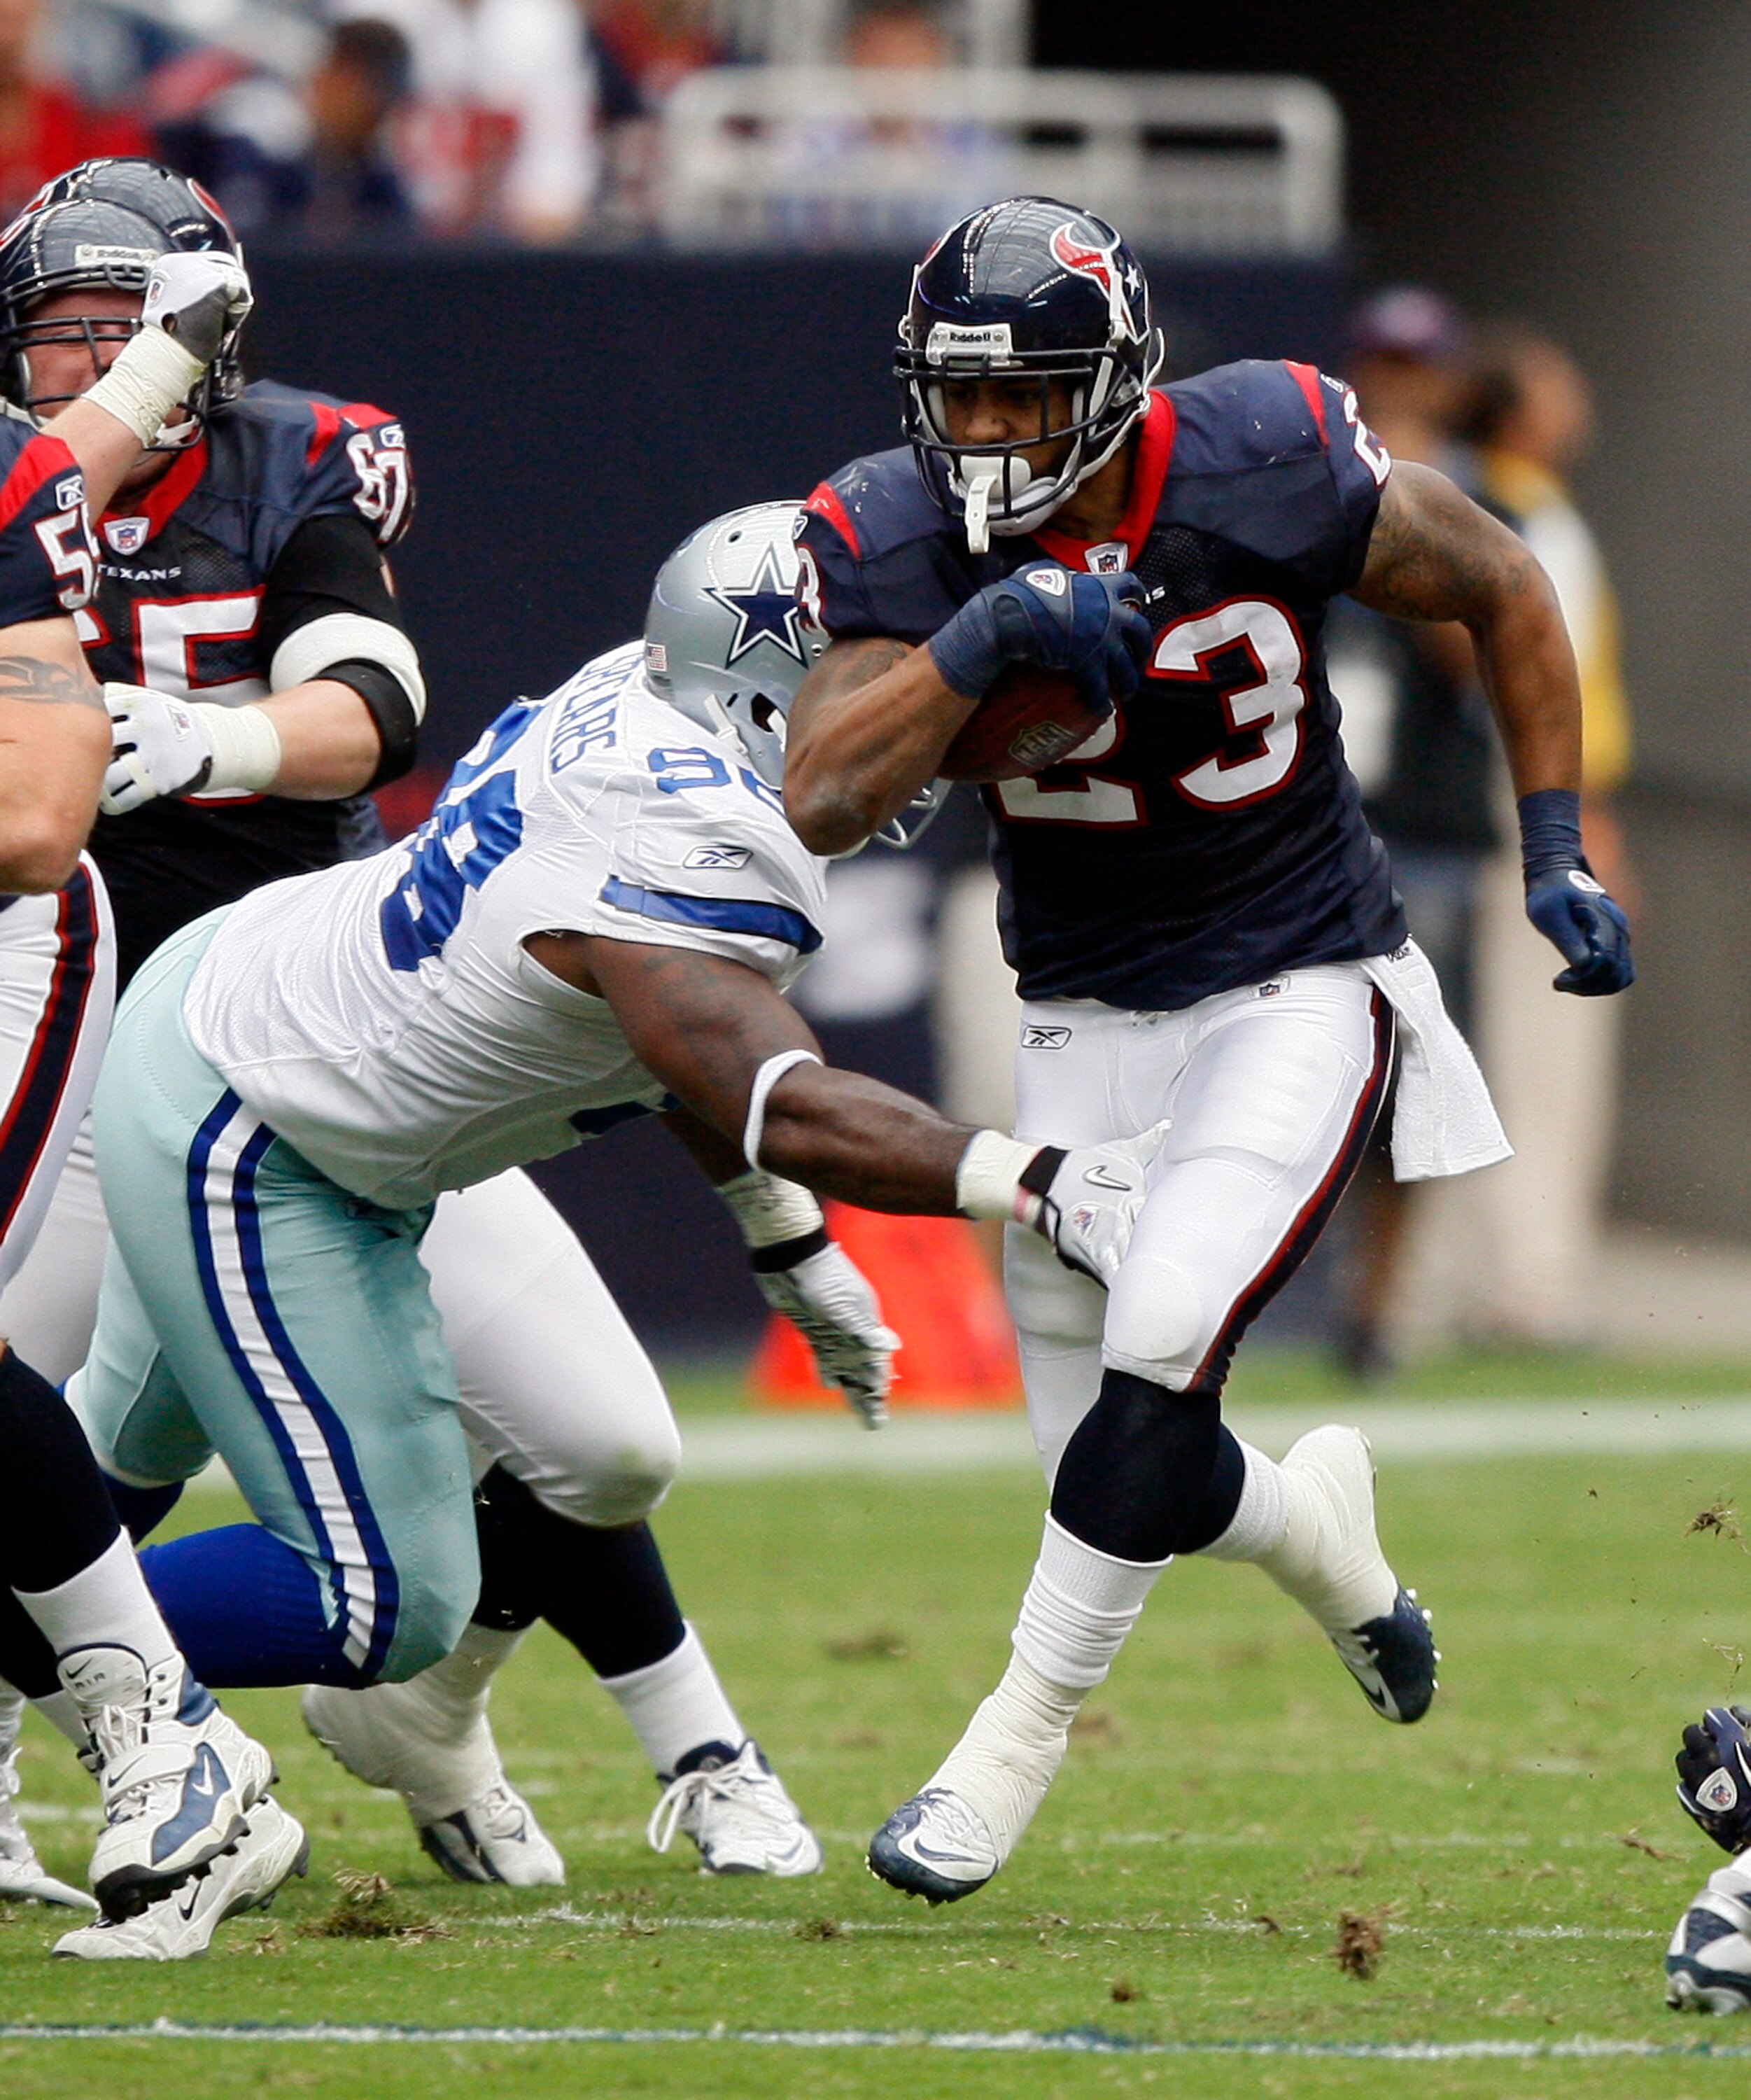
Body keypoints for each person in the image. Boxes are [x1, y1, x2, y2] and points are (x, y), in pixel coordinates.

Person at [43, 493, 1158, 1954]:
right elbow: (762, 1078)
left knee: (145, 1462)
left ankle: (97, 1646)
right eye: (864, 679)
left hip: (282, 1050)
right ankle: (139, 1720)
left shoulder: (642, 703)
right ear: (761, 684)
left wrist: (785, 1243)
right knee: (386, 1599)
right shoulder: (687, 822)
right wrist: (1036, 1181)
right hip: (261, 1130)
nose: (908, 721)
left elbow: (679, 1044)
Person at [0, 162, 875, 1910]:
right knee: (50, 1454)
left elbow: (373, 705)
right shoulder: (22, 480)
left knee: (604, 1441)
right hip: (80, 1042)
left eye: (121, 327)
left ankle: (485, 1727)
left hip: (296, 1028)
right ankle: (138, 1772)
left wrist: (205, 742)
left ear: (202, 341)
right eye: (56, 332)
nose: (84, 363)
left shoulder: (296, 461)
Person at [780, 195, 1635, 1904]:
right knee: (1127, 1473)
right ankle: (1327, 1546)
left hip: (1294, 976)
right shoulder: (899, 536)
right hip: (1078, 1016)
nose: (985, 434)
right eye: (960, 397)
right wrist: (980, 640)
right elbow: (823, 791)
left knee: (1164, 1351)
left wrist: (1554, 845)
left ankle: (999, 1756)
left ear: (1111, 384)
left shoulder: (1266, 451)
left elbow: (1503, 584)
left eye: (1024, 398)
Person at [0, 206, 305, 1958]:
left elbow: (38, 819)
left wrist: (172, 356)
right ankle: (165, 1743)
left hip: (15, 939)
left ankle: (159, 1736)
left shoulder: (6, 490)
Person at [1323, 288, 1504, 1378]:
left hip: (1425, 823)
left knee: (1408, 1086)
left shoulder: (1478, 501)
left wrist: (1409, 536)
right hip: (1308, 819)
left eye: (1414, 365)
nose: (1395, 384)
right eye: (1377, 362)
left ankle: (1374, 1314)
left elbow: (1491, 651)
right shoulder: (1310, 481)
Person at [1464, 326, 1635, 1348]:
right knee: (1542, 1055)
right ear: (1519, 411)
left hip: (1525, 817)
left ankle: (1520, 1278)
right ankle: (1530, 1290)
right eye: (1555, 384)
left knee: (1525, 1056)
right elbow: (1544, 689)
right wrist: (1576, 826)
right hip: (1531, 822)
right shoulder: (1518, 517)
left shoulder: (1522, 507)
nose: (1576, 397)